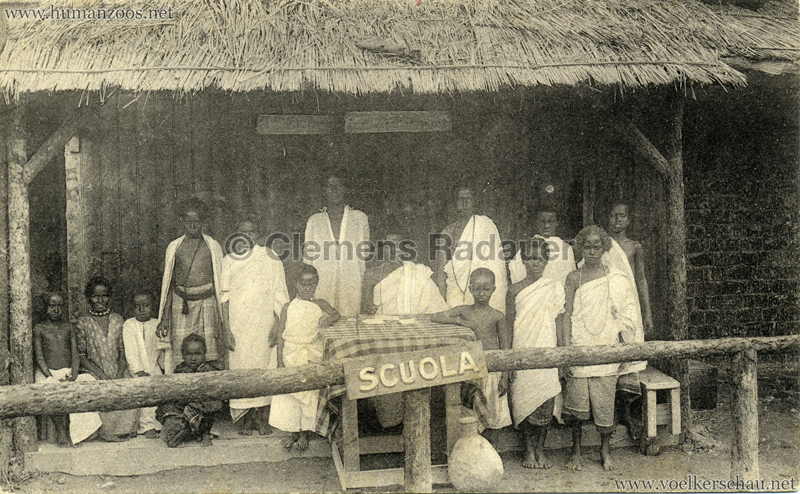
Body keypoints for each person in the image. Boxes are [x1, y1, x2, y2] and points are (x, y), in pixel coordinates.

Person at [562, 226, 638, 471]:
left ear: (605, 248)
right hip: (580, 346)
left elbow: (627, 311)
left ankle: (605, 450)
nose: (592, 251)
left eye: (597, 246)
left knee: (605, 405)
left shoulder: (615, 277)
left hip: (606, 347)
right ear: (580, 248)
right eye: (587, 246)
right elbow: (566, 314)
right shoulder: (574, 278)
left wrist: (620, 326)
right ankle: (576, 451)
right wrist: (566, 350)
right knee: (576, 408)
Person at [221, 218, 290, 436]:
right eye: (243, 232)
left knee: (264, 368)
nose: (247, 236)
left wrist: (278, 325)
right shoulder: (229, 259)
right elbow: (224, 296)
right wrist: (226, 328)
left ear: (258, 234)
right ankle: (246, 418)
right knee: (241, 368)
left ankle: (262, 418)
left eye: (252, 232)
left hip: (263, 324)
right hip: (238, 325)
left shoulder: (270, 257)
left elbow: (281, 294)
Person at [431, 268, 511, 448]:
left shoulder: (497, 316)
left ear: (494, 289)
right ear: (470, 288)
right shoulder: (465, 311)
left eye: (486, 289)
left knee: (494, 414)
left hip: (492, 372)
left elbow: (505, 348)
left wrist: (505, 376)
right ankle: (473, 452)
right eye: (477, 289)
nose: (481, 293)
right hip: (472, 371)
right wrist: (459, 321)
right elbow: (435, 316)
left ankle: (493, 453)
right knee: (470, 413)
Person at [506, 240, 565, 469]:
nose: (535, 263)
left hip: (547, 351)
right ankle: (528, 452)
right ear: (523, 260)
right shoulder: (514, 290)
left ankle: (541, 449)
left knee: (546, 402)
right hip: (522, 352)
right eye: (530, 258)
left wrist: (561, 355)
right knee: (525, 403)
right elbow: (510, 325)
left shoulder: (553, 286)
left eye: (539, 258)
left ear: (546, 260)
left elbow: (559, 321)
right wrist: (510, 361)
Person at [269, 264, 340, 451]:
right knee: (291, 395)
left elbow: (336, 314)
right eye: (303, 283)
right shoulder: (288, 307)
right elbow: (281, 334)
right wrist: (279, 360)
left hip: (311, 354)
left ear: (316, 284)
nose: (307, 287)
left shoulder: (320, 304)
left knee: (309, 394)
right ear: (295, 284)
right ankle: (293, 431)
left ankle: (305, 433)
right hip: (291, 354)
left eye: (312, 283)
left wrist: (328, 319)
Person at [156, 199, 227, 374]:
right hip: (181, 305)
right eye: (189, 222)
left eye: (197, 222)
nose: (193, 226)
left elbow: (221, 283)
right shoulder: (175, 247)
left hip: (207, 304)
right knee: (181, 356)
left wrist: (223, 319)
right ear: (182, 222)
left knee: (210, 354)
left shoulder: (212, 246)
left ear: (203, 222)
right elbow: (169, 285)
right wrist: (164, 318)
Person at [33, 293, 102, 447]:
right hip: (46, 372)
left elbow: (75, 355)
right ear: (45, 308)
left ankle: (81, 432)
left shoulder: (68, 327)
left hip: (68, 372)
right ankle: (61, 431)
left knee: (88, 382)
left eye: (59, 306)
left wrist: (73, 374)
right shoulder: (39, 328)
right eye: (52, 306)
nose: (56, 310)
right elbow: (40, 357)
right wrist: (50, 376)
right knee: (48, 390)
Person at [76, 277, 139, 441]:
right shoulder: (82, 322)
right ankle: (105, 432)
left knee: (128, 385)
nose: (100, 300)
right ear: (89, 298)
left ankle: (124, 430)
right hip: (95, 370)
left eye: (104, 296)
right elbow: (81, 356)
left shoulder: (118, 319)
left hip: (118, 369)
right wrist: (102, 376)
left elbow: (123, 350)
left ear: (110, 297)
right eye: (96, 296)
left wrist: (119, 373)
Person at [303, 174, 369, 317]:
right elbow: (308, 260)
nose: (334, 190)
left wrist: (361, 281)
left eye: (338, 186)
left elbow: (364, 255)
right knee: (323, 320)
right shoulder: (314, 221)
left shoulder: (359, 218)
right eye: (329, 187)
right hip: (323, 281)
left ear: (345, 189)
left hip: (351, 281)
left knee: (350, 321)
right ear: (324, 191)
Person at [433, 187, 508, 313]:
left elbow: (497, 269)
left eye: (468, 199)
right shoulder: (448, 232)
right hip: (456, 295)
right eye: (460, 199)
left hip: (484, 296)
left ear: (474, 202)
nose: (465, 203)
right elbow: (441, 273)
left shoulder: (486, 226)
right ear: (454, 204)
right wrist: (443, 304)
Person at [155, 334, 222, 448]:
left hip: (203, 410)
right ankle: (187, 431)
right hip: (184, 410)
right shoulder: (180, 370)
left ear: (204, 354)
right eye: (189, 354)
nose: (193, 358)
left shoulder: (209, 371)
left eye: (197, 354)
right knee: (167, 408)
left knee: (210, 406)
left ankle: (204, 433)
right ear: (183, 355)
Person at [361, 232, 449, 316]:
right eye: (388, 246)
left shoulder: (420, 272)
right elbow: (366, 306)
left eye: (396, 245)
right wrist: (369, 308)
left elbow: (437, 307)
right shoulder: (371, 275)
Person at [122, 292, 163, 439]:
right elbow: (130, 350)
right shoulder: (129, 324)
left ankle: (158, 424)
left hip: (154, 366)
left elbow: (162, 348)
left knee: (159, 390)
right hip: (136, 369)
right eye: (137, 306)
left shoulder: (157, 323)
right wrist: (138, 370)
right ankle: (146, 426)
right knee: (141, 391)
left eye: (146, 306)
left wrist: (161, 367)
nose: (141, 309)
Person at [509, 207, 576, 286]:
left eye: (550, 221)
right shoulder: (529, 245)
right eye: (542, 221)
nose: (546, 225)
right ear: (537, 222)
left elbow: (569, 276)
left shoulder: (566, 248)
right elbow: (515, 268)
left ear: (557, 223)